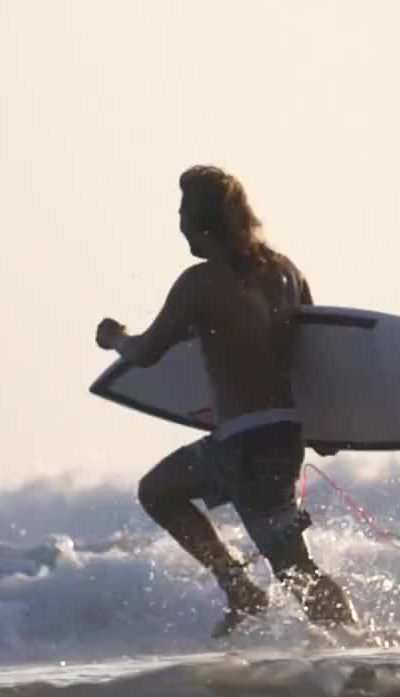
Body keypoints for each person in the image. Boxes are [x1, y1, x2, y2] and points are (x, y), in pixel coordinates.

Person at [95, 165, 358, 637]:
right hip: (281, 436)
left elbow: (148, 353)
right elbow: (314, 350)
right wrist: (324, 428)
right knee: (160, 490)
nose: (177, 223)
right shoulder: (286, 272)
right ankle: (239, 585)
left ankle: (358, 646)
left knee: (294, 568)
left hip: (244, 445)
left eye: (181, 212)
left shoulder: (200, 283)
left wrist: (116, 338)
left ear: (200, 222)